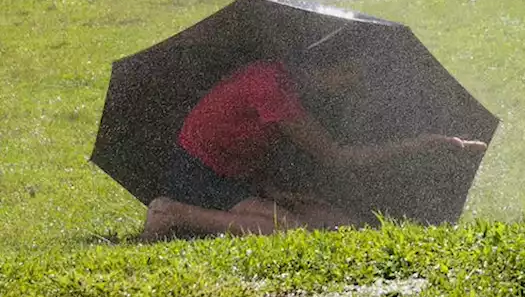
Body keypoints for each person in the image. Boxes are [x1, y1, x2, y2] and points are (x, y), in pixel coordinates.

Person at [140, 34, 487, 241]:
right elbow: (335, 156)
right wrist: (422, 143)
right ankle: (174, 213)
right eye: (348, 73)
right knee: (288, 229)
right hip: (199, 173)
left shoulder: (288, 80)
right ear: (323, 69)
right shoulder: (273, 89)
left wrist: (269, 188)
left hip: (238, 175)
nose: (352, 83)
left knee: (335, 220)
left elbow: (247, 138)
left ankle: (235, 208)